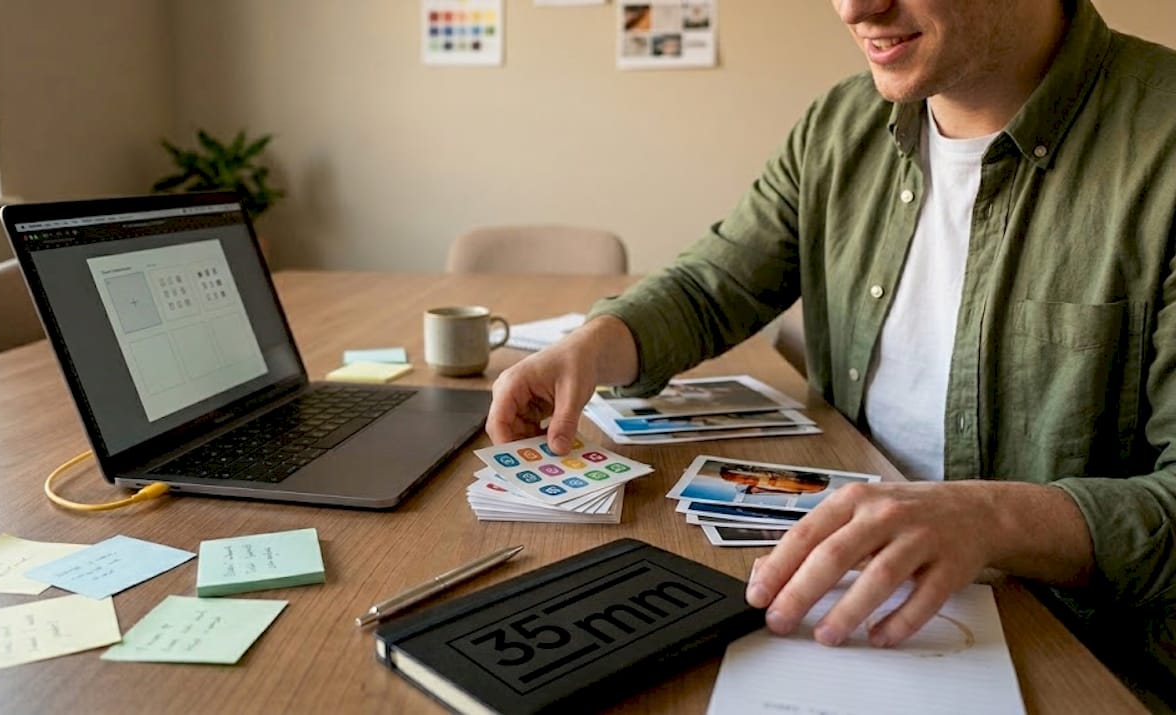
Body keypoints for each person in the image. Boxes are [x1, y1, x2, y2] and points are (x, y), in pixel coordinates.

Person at [487, 0, 1176, 704]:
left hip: (1086, 654)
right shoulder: (839, 127)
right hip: (848, 611)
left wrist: (993, 519)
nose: (854, 7)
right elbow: (713, 284)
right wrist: (597, 344)